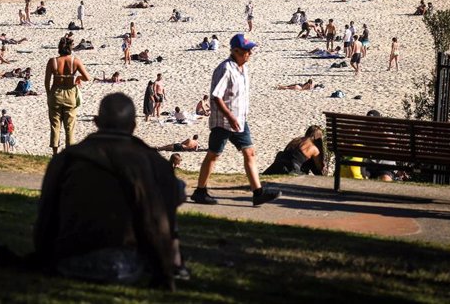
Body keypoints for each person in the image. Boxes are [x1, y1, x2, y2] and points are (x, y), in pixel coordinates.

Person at [34, 93, 186, 290]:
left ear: (96, 122)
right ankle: (176, 264)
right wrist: (164, 275)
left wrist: (44, 258)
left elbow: (46, 215)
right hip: (122, 264)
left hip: (66, 258)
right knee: (176, 190)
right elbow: (154, 220)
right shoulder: (150, 161)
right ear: (133, 126)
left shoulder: (67, 158)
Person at [191, 34, 281, 206]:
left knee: (249, 152)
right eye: (247, 51)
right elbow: (216, 96)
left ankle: (258, 193)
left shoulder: (243, 69)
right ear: (236, 51)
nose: (250, 54)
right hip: (223, 122)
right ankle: (200, 191)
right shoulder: (225, 69)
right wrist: (230, 117)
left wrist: (237, 117)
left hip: (240, 120)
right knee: (213, 155)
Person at [45, 36, 91, 155]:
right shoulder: (75, 61)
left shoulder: (53, 61)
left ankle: (55, 153)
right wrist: (78, 78)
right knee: (70, 126)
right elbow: (87, 77)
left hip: (56, 92)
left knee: (55, 125)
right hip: (70, 93)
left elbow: (47, 81)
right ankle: (69, 153)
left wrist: (49, 94)